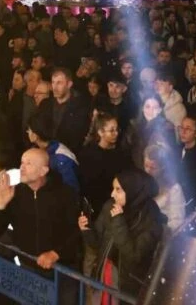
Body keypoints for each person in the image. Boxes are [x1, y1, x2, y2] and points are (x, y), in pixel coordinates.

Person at [0, 148, 80, 304]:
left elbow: (77, 231)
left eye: (29, 163)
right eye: (22, 162)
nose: (22, 167)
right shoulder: (15, 193)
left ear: (43, 171)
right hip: (27, 268)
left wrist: (56, 253)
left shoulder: (65, 194)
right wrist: (1, 204)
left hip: (60, 270)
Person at [78, 168, 165, 298]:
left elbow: (134, 256)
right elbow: (97, 243)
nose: (112, 194)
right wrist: (86, 229)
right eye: (113, 189)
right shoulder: (111, 206)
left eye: (118, 190)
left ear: (133, 190)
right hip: (105, 276)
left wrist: (118, 221)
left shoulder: (151, 220)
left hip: (128, 288)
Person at [78, 113, 130, 220]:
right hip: (97, 206)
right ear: (100, 132)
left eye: (117, 129)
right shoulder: (88, 154)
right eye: (111, 130)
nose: (116, 133)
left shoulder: (121, 153)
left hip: (117, 204)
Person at [26, 112, 80, 192]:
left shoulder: (62, 158)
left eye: (29, 130)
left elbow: (72, 189)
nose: (27, 132)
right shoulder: (35, 150)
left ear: (35, 135)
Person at [123, 94, 176, 169]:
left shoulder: (166, 127)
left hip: (155, 171)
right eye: (147, 107)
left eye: (155, 107)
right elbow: (126, 148)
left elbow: (171, 154)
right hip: (135, 170)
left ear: (160, 110)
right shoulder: (134, 125)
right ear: (142, 108)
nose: (150, 111)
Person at [143, 143, 185, 232]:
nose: (147, 171)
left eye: (153, 168)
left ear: (163, 168)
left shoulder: (174, 189)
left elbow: (177, 222)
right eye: (146, 166)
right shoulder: (141, 183)